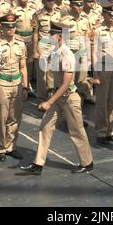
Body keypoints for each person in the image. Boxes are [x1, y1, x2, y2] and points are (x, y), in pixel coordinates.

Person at [20, 21, 93, 175]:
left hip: (69, 99)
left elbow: (66, 84)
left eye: (52, 35)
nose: (49, 37)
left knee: (76, 131)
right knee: (45, 127)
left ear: (60, 36)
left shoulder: (66, 55)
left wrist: (48, 102)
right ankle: (38, 164)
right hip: (58, 98)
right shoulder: (56, 52)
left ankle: (87, 163)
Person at [0, 14, 28, 161]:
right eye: (8, 26)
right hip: (2, 84)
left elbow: (23, 67)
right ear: (2, 28)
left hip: (16, 84)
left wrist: (25, 86)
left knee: (15, 117)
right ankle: (0, 147)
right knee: (1, 118)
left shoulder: (21, 44)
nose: (11, 29)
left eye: (13, 26)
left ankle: (11, 146)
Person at [92, 4, 113, 146]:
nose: (112, 17)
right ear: (103, 14)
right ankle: (100, 132)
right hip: (103, 67)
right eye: (110, 14)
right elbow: (94, 52)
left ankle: (110, 131)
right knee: (102, 102)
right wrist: (96, 73)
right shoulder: (98, 30)